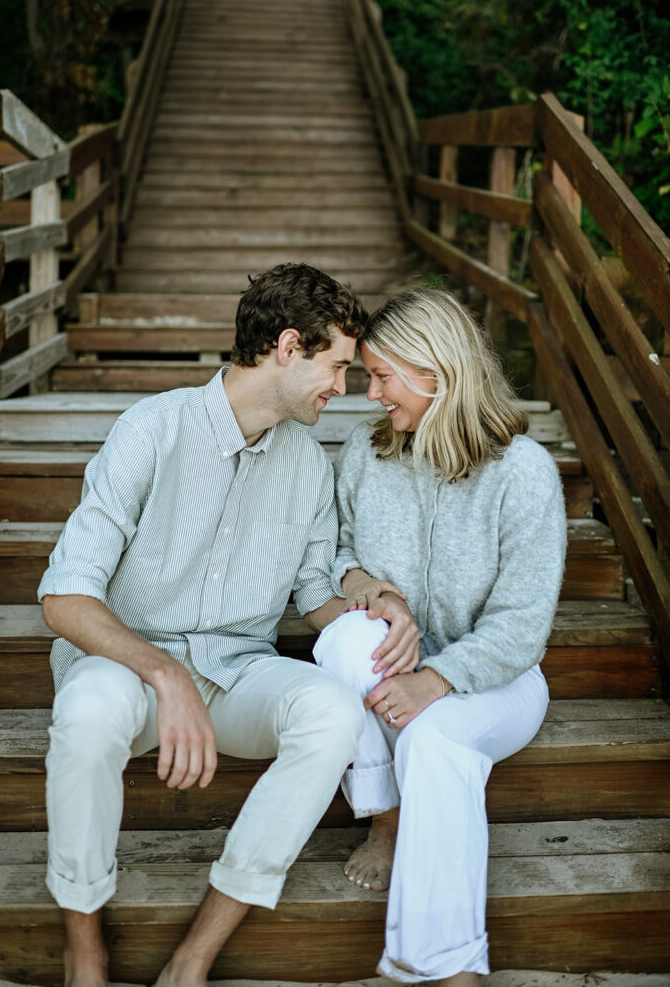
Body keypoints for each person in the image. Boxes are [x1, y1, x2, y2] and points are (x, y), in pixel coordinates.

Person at [38, 262, 400, 987]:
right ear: (289, 346)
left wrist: (373, 603)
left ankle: (195, 954)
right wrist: (164, 673)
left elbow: (314, 597)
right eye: (337, 367)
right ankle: (85, 948)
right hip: (129, 673)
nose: (344, 388)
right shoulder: (151, 430)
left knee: (328, 713)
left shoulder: (308, 462)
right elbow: (64, 597)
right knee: (85, 707)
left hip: (237, 674)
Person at [313, 286, 567, 986]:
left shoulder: (523, 474)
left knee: (436, 736)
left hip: (500, 683)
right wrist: (368, 587)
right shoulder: (367, 454)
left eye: (382, 376)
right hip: (399, 663)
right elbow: (334, 551)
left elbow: (521, 626)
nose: (370, 394)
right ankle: (385, 814)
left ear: (436, 371)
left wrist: (438, 681)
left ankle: (448, 966)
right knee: (338, 642)